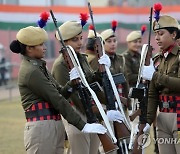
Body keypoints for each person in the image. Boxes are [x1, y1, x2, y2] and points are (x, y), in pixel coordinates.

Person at [9, 26, 107, 154]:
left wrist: (72, 83)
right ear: (29, 48)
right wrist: (83, 125)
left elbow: (61, 92)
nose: (45, 47)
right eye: (41, 44)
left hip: (53, 123)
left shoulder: (39, 66)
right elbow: (57, 99)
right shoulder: (31, 71)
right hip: (41, 128)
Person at [51, 20, 123, 154]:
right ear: (64, 42)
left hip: (90, 110)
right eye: (74, 40)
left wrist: (101, 70)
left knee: (93, 150)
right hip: (76, 112)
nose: (80, 43)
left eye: (80, 38)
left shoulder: (81, 58)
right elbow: (67, 95)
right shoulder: (60, 65)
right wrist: (96, 112)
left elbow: (89, 81)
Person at [142, 15, 180, 154]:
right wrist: (148, 120)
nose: (157, 38)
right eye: (156, 34)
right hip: (162, 117)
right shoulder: (157, 59)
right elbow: (153, 94)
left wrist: (155, 75)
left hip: (178, 112)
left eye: (161, 33)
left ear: (174, 34)